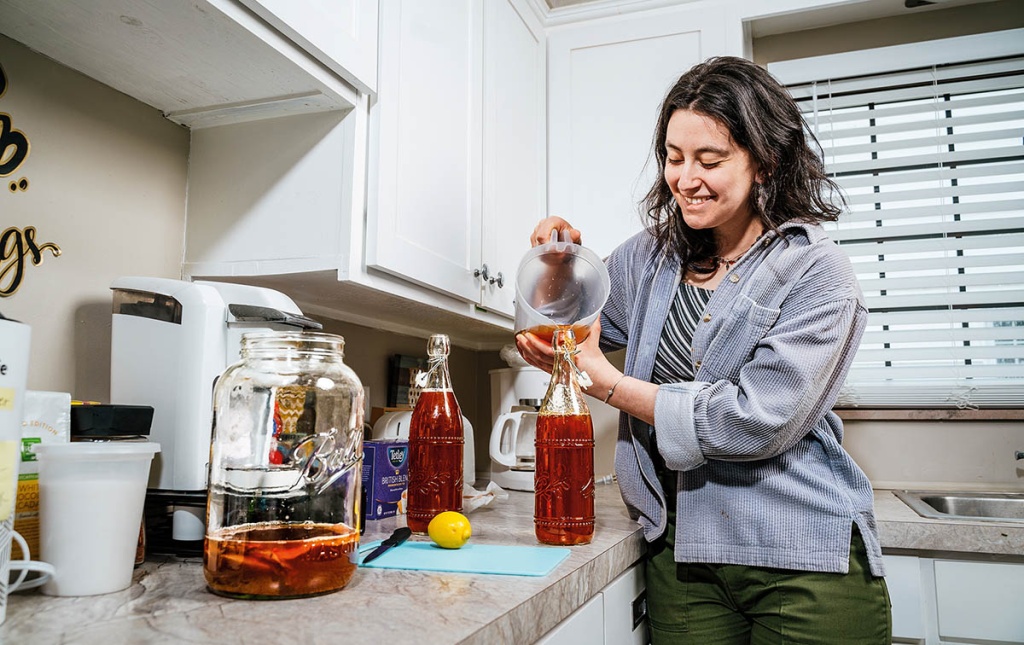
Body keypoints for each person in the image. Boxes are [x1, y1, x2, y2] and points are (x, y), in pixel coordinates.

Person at [516, 56, 891, 645]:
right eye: (673, 157)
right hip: (681, 557)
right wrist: (554, 263)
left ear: (764, 162)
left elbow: (753, 423)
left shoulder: (816, 271)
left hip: (803, 563)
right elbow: (565, 330)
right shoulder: (646, 259)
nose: (685, 179)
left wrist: (606, 383)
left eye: (709, 161)